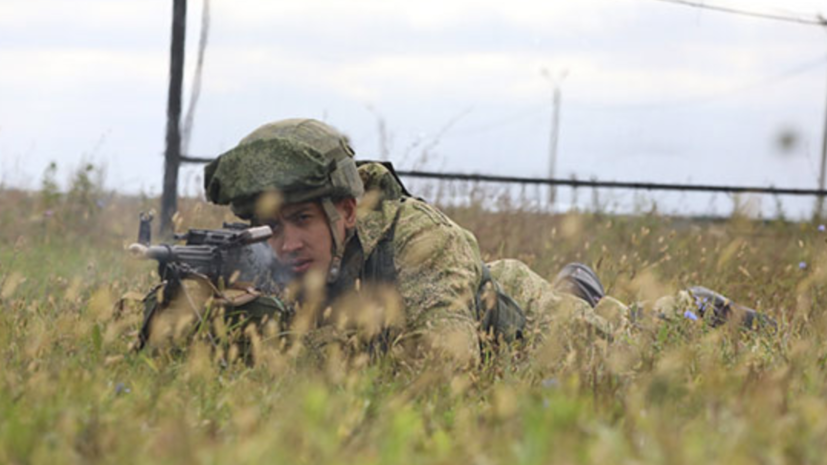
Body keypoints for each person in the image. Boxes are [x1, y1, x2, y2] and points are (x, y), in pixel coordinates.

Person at [147, 118, 771, 367]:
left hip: (535, 333)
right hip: (484, 295)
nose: (284, 244)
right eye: (270, 228)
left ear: (344, 209)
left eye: (300, 221)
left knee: (628, 337)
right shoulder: (280, 257)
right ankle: (574, 283)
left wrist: (292, 344)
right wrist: (201, 307)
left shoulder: (419, 243)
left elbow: (445, 369)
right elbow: (152, 356)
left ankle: (695, 303)